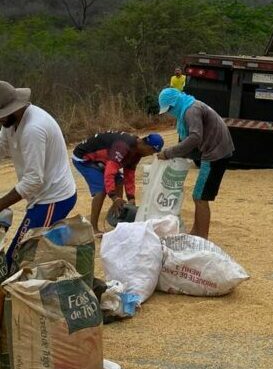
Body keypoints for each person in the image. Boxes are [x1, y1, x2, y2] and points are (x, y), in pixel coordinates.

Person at [0, 81, 77, 276]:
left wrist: (0, 204)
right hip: (41, 197)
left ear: (11, 109)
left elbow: (34, 180)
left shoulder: (33, 129)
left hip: (53, 198)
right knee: (30, 249)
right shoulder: (11, 122)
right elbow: (1, 147)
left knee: (16, 254)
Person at [156, 88, 234, 239]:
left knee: (201, 197)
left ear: (175, 103)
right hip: (215, 151)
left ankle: (202, 237)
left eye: (170, 109)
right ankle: (195, 233)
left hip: (216, 154)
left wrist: (168, 153)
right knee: (198, 196)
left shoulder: (191, 110)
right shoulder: (190, 106)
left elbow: (194, 138)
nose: (170, 112)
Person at [72, 131, 164, 234]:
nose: (151, 154)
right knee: (101, 190)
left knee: (119, 181)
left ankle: (117, 216)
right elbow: (109, 173)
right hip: (84, 158)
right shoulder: (123, 146)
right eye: (152, 150)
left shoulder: (137, 152)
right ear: (144, 144)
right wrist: (113, 196)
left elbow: (129, 175)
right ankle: (93, 228)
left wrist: (131, 197)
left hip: (102, 159)